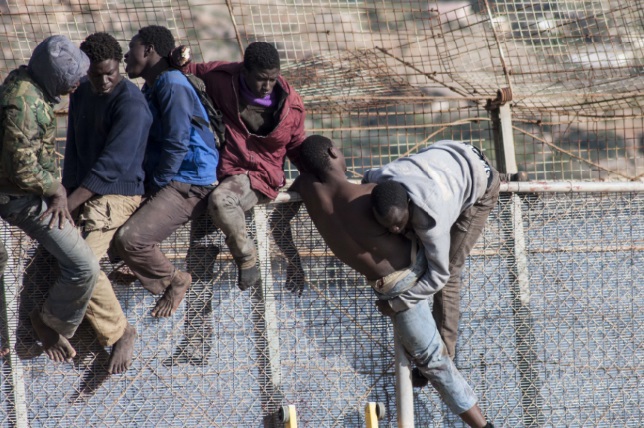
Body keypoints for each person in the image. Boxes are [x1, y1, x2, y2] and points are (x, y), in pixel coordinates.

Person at [274, 135, 494, 428]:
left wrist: (294, 262)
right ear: (333, 152)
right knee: (433, 362)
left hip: (398, 283)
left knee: (433, 357)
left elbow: (277, 222)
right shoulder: (368, 192)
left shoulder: (303, 187)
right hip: (402, 278)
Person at [173, 41, 306, 292]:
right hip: (223, 168)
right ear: (244, 71)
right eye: (260, 79)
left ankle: (246, 257)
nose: (267, 86)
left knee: (223, 201)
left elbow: (298, 147)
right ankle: (198, 326)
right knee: (200, 256)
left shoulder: (292, 107)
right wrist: (178, 56)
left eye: (272, 79)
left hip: (261, 176)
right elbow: (187, 70)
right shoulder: (222, 78)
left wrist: (316, 176)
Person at [0, 35, 98, 362]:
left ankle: (39, 330)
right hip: (16, 197)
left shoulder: (33, 90)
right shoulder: (24, 104)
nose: (77, 84)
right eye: (72, 79)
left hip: (26, 192)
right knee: (84, 266)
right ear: (55, 76)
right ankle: (49, 325)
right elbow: (22, 166)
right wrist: (55, 189)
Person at [113, 25, 219, 318]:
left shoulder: (171, 83)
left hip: (189, 181)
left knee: (130, 240)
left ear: (147, 50)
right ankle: (136, 265)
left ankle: (176, 279)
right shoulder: (154, 86)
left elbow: (176, 142)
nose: (126, 53)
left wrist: (155, 186)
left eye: (131, 46)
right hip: (173, 176)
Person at [62, 32, 152, 373]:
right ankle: (73, 330)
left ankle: (120, 331)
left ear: (121, 67)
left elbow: (112, 165)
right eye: (96, 74)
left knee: (82, 261)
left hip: (118, 193)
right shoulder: (83, 93)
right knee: (61, 253)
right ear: (85, 71)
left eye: (110, 72)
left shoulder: (131, 104)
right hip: (86, 191)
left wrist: (71, 202)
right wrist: (66, 197)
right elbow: (73, 150)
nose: (104, 80)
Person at [363, 140, 501, 361]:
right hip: (449, 160)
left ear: (409, 204)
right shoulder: (378, 178)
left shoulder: (431, 219)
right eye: (388, 226)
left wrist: (397, 303)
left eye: (399, 223)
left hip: (480, 179)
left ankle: (442, 357)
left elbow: (439, 277)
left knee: (450, 268)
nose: (395, 229)